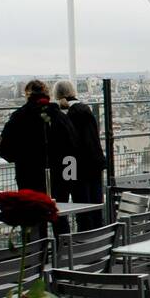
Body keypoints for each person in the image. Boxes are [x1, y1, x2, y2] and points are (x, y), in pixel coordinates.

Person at [0, 79, 78, 195]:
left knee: (32, 210)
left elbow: (4, 149)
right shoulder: (61, 117)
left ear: (27, 95)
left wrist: (22, 159)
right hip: (60, 178)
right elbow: (73, 146)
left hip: (28, 177)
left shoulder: (18, 118)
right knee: (59, 210)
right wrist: (70, 177)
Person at [53, 79, 106, 230]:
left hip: (76, 165)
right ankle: (99, 236)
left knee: (81, 206)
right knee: (95, 204)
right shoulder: (85, 109)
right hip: (94, 162)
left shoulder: (66, 114)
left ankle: (84, 239)